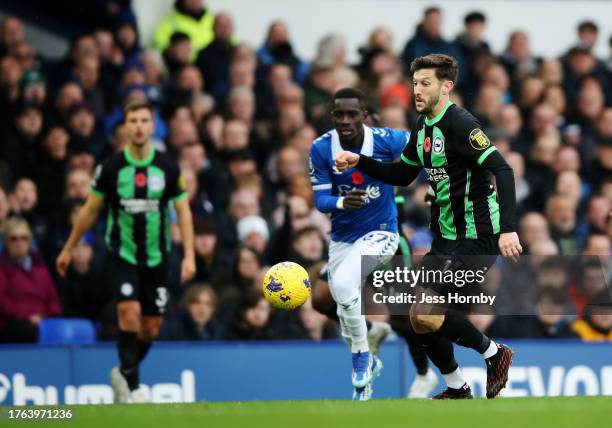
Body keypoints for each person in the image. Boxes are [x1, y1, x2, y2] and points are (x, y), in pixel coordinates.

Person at [336, 54, 521, 399]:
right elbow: (403, 174)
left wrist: (508, 228)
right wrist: (359, 161)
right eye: (415, 83)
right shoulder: (422, 127)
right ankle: (457, 386)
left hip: (478, 235)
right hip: (447, 237)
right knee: (417, 315)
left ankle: (495, 354)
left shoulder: (462, 124)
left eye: (425, 83)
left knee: (424, 310)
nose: (417, 90)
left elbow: (503, 169)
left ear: (446, 87)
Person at [55, 99, 195, 403]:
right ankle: (133, 389)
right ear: (125, 126)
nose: (139, 126)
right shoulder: (111, 167)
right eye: (133, 121)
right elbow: (90, 211)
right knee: (128, 312)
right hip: (122, 254)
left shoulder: (167, 167)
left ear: (153, 125)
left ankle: (122, 372)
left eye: (144, 120)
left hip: (158, 256)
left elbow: (183, 212)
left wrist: (189, 256)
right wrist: (69, 248)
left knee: (151, 327)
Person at [309, 87, 407, 400]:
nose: (346, 120)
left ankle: (361, 360)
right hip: (342, 239)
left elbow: (427, 147)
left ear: (364, 115)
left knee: (342, 282)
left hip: (382, 231)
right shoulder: (321, 148)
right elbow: (320, 199)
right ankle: (367, 374)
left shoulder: (386, 140)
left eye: (353, 113)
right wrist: (340, 203)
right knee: (341, 293)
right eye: (340, 114)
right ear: (332, 115)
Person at [0, 218, 61, 343]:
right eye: (14, 239)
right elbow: (2, 302)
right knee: (30, 331)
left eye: (24, 238)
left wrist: (44, 316)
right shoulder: (2, 267)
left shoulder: (40, 266)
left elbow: (53, 300)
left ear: (30, 241)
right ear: (6, 241)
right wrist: (28, 316)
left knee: (65, 330)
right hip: (12, 323)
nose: (20, 242)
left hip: (41, 320)